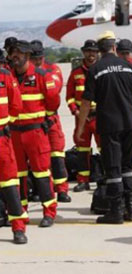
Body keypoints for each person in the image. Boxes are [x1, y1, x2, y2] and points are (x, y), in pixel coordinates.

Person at [76, 31, 132, 224]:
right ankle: (130, 208)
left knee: (112, 169)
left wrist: (80, 128)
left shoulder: (95, 70)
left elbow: (86, 102)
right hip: (131, 123)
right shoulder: (128, 67)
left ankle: (115, 211)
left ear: (100, 49)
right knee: (128, 167)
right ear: (114, 47)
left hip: (110, 125)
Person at [10, 40, 60, 227]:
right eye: (12, 53)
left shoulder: (41, 76)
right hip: (14, 133)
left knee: (41, 173)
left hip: (35, 132)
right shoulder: (9, 76)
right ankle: (21, 212)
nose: (15, 56)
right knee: (18, 175)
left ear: (28, 56)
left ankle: (49, 211)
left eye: (19, 53)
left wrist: (45, 119)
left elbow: (53, 101)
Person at [30, 40, 71, 203]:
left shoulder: (53, 69)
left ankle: (62, 190)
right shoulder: (26, 73)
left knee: (57, 155)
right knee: (39, 159)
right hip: (36, 120)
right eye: (34, 58)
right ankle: (42, 190)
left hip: (51, 118)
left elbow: (53, 91)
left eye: (39, 57)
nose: (37, 61)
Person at [0, 62, 29, 243]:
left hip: (2, 138)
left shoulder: (5, 76)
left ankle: (18, 228)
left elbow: (16, 105)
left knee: (10, 183)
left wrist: (5, 122)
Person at [66, 40, 100, 192]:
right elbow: (69, 97)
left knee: (104, 149)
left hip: (99, 117)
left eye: (93, 51)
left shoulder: (101, 71)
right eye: (88, 51)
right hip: (81, 118)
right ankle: (83, 180)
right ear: (83, 52)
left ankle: (104, 179)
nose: (90, 54)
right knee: (82, 150)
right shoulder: (76, 73)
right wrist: (76, 111)